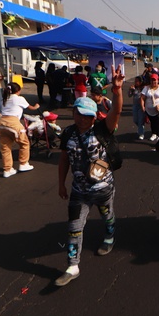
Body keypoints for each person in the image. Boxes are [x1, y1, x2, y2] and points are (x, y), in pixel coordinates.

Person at [56, 65, 124, 287]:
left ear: (94, 117)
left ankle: (109, 237)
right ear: (73, 112)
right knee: (74, 226)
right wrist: (61, 184)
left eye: (87, 116)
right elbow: (64, 159)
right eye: (78, 114)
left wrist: (117, 91)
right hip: (79, 191)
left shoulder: (102, 129)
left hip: (103, 189)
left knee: (107, 216)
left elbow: (117, 112)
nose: (82, 119)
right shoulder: (67, 133)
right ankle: (72, 266)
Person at [0, 82, 40, 178]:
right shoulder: (19, 99)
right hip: (13, 123)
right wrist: (37, 106)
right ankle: (23, 164)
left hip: (2, 124)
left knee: (5, 148)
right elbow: (31, 108)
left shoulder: (4, 98)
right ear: (18, 90)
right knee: (24, 143)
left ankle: (7, 170)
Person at [140, 73, 159, 145]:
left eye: (155, 80)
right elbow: (142, 98)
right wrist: (142, 106)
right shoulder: (146, 88)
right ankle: (154, 134)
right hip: (149, 110)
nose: (153, 82)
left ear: (157, 80)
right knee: (153, 122)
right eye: (152, 80)